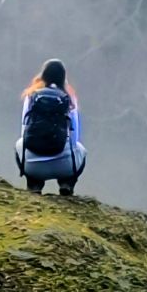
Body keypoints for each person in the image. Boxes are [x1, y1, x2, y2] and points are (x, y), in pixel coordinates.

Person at [15, 58, 87, 196]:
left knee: (19, 143)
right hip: (64, 166)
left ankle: (34, 184)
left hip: (33, 166)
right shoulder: (69, 99)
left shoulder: (31, 96)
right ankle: (66, 183)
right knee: (81, 150)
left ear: (43, 75)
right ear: (64, 78)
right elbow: (75, 136)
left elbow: (24, 130)